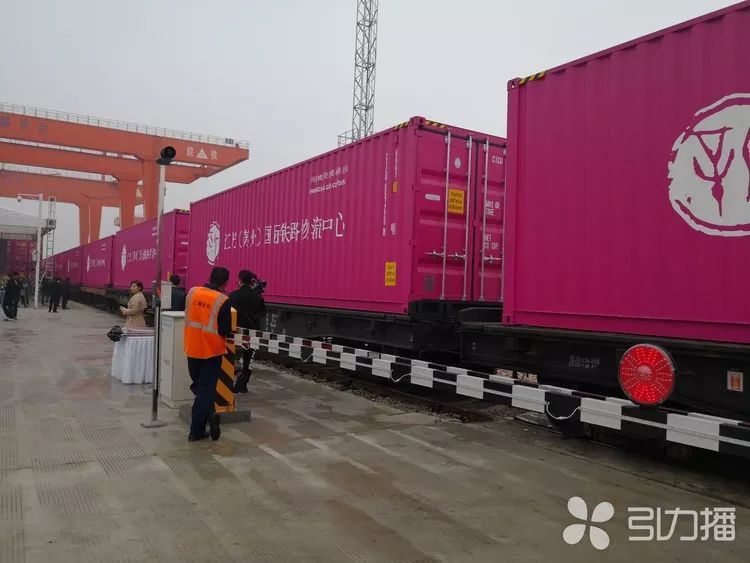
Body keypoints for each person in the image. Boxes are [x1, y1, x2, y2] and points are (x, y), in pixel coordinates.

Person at [184, 266, 232, 442]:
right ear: (225, 283)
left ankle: (208, 414)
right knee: (205, 391)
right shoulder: (222, 300)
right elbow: (225, 329)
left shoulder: (192, 293)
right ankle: (197, 430)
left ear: (210, 277)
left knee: (198, 387)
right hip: (211, 352)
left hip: (191, 348)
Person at [229, 270, 266, 393]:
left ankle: (233, 381)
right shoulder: (257, 297)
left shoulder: (233, 295)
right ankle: (243, 385)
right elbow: (262, 313)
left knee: (233, 358)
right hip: (252, 333)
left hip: (236, 332)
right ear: (251, 281)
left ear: (239, 280)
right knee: (249, 360)